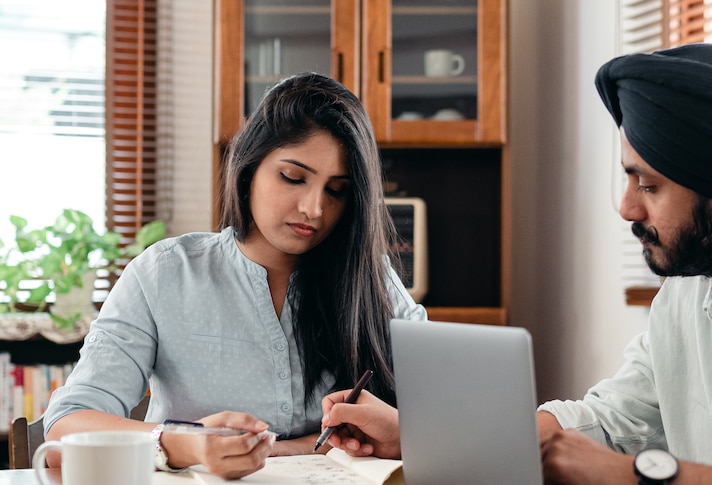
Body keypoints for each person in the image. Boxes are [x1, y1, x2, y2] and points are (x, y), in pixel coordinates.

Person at [319, 44, 712, 484]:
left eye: (648, 184)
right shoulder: (687, 294)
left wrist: (639, 476)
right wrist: (425, 436)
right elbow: (613, 419)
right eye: (628, 178)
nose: (626, 207)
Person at [42, 72, 427, 480]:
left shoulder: (372, 280)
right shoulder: (166, 273)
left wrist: (405, 434)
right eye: (293, 178)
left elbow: (456, 417)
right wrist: (180, 442)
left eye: (336, 190)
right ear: (249, 167)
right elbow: (64, 431)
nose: (314, 208)